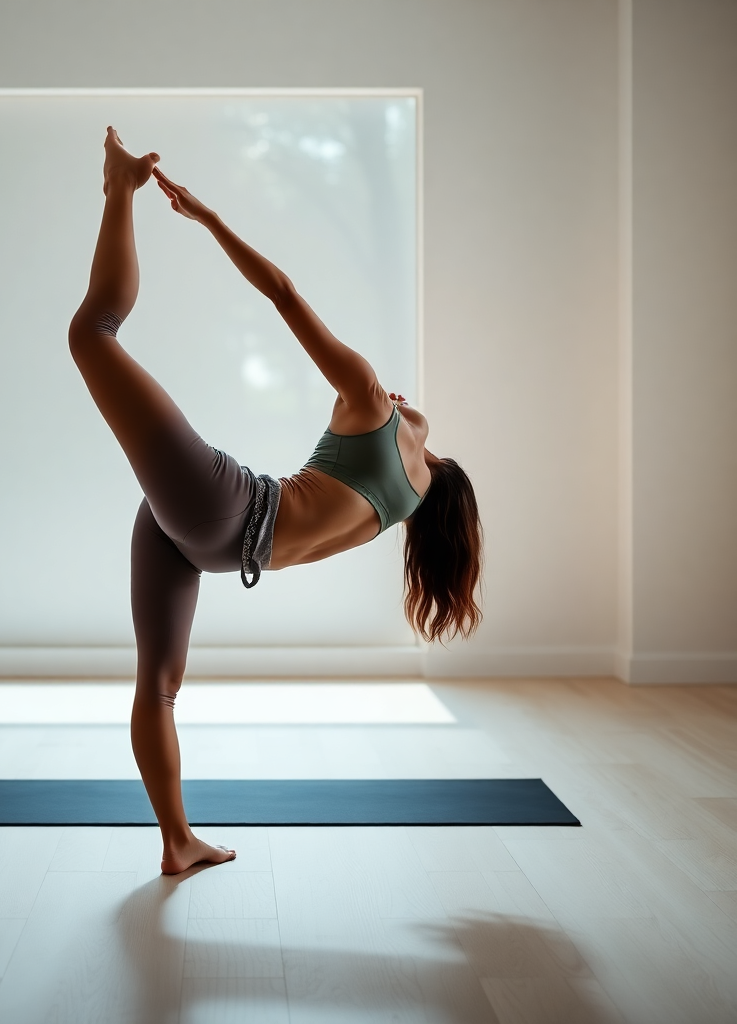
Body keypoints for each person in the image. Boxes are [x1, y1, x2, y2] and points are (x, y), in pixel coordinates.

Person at [69, 127, 483, 874]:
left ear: (424, 434)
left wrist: (210, 220)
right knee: (158, 687)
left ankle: (121, 186)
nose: (406, 401)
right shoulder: (406, 502)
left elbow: (283, 294)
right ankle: (177, 843)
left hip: (226, 506)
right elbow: (343, 490)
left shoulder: (370, 401)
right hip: (221, 547)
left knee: (93, 334)